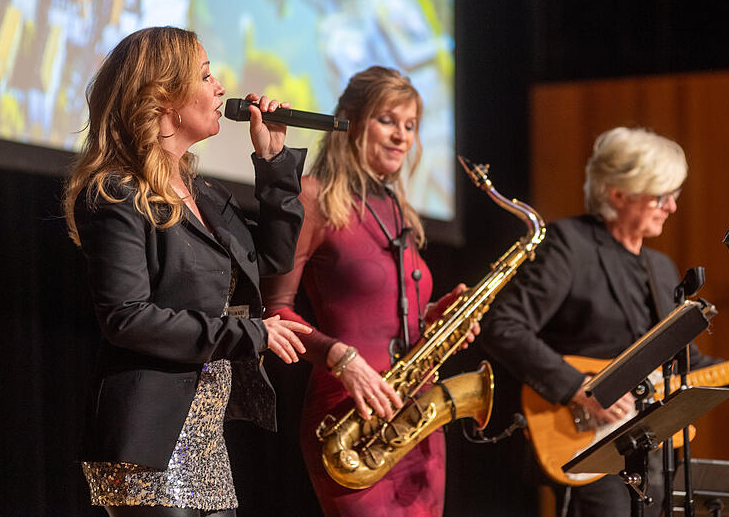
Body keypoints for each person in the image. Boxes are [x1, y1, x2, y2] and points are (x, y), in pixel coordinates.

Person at [479, 126, 729, 517]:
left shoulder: (661, 268)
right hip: (589, 446)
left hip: (653, 450)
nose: (671, 207)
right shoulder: (570, 245)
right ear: (618, 193)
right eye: (661, 196)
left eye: (674, 196)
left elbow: (685, 367)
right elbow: (503, 324)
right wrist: (579, 389)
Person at [63, 26, 312, 517]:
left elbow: (271, 263)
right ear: (164, 94)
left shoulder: (207, 196)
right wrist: (249, 333)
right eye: (205, 75)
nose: (221, 87)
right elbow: (127, 318)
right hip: (148, 444)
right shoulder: (116, 193)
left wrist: (274, 161)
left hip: (205, 438)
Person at [261, 65, 470, 517]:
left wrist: (438, 316)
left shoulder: (401, 211)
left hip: (417, 414)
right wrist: (341, 357)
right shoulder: (313, 197)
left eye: (410, 126)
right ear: (350, 121)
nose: (401, 136)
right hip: (349, 415)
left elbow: (388, 313)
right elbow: (275, 311)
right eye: (387, 120)